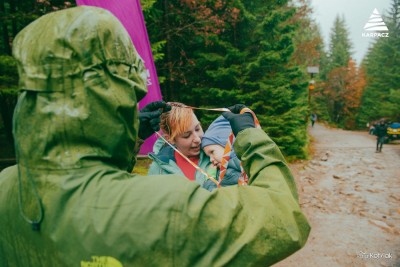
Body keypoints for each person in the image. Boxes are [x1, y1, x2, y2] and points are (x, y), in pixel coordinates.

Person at [0, 6, 310, 267]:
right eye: (131, 96)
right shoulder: (162, 204)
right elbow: (282, 216)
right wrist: (252, 137)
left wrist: (130, 138)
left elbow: (84, 182)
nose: (195, 138)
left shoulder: (7, 187)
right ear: (117, 98)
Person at [147, 102, 216, 187]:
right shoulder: (158, 169)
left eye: (197, 129)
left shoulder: (215, 156)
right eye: (187, 135)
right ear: (170, 139)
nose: (197, 139)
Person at [201, 115, 242, 191]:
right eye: (209, 156)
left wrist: (210, 180)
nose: (211, 160)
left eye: (212, 152)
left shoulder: (227, 173)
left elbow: (214, 198)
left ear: (227, 143)